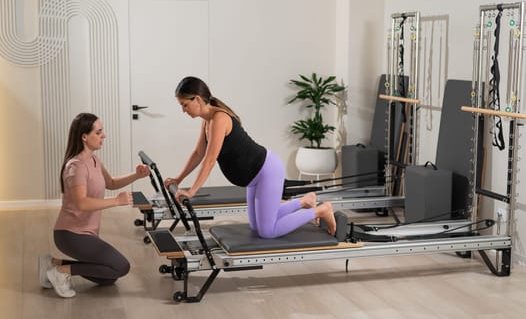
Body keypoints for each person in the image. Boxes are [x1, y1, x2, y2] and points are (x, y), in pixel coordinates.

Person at [164, 76, 336, 239]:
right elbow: (198, 153)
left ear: (198, 99)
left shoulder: (219, 118)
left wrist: (192, 191)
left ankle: (321, 210)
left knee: (268, 231)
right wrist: (178, 179)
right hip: (254, 177)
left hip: (266, 171)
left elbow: (209, 159)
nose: (183, 110)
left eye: (185, 105)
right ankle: (305, 201)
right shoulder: (207, 121)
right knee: (257, 226)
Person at [39, 113, 150, 298]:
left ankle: (54, 263)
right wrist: (116, 201)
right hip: (70, 234)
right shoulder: (76, 166)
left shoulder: (94, 160)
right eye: (98, 132)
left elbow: (111, 183)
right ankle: (60, 273)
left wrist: (136, 175)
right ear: (84, 136)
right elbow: (81, 203)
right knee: (121, 267)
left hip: (86, 233)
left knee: (108, 277)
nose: (103, 135)